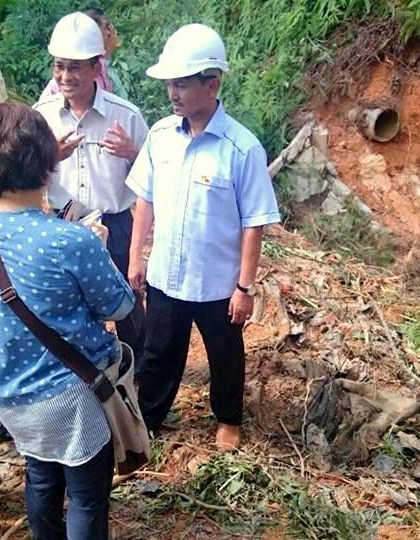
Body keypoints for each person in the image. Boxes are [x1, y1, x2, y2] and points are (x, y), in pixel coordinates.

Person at [0, 103, 134, 540]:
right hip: (70, 399)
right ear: (48, 163)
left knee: (40, 476)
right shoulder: (71, 241)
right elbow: (119, 307)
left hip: (6, 393)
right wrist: (100, 247)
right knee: (88, 497)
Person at [126, 24, 281, 450]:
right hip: (165, 277)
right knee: (158, 353)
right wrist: (137, 257)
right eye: (169, 84)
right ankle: (149, 420)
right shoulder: (160, 136)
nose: (172, 93)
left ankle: (228, 419)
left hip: (216, 283)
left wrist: (244, 287)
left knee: (225, 355)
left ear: (211, 85)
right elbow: (145, 199)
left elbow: (254, 223)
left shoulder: (241, 149)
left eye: (181, 84)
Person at [33, 11, 148, 372]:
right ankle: (88, 374)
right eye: (59, 67)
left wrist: (133, 153)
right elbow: (25, 178)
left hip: (115, 223)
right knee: (72, 304)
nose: (65, 77)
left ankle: (139, 372)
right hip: (64, 224)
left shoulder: (125, 116)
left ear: (97, 66)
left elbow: (153, 177)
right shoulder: (42, 116)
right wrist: (50, 156)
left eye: (75, 68)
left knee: (127, 303)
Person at [38, 8, 125, 101]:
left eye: (109, 28)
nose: (109, 33)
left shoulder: (105, 68)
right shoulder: (56, 89)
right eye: (105, 28)